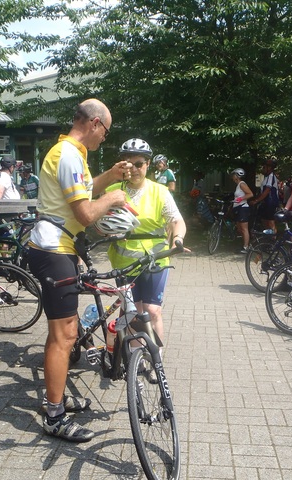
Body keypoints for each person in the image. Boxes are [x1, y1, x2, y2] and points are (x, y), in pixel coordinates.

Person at [27, 98, 131, 443]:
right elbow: (87, 213)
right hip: (54, 249)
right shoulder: (69, 155)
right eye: (106, 132)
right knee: (64, 336)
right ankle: (54, 416)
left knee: (63, 332)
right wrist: (114, 199)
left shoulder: (72, 154)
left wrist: (111, 177)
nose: (105, 139)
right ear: (95, 124)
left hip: (59, 247)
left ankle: (54, 399)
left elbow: (84, 192)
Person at [103, 138, 187, 381]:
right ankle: (133, 357)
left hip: (155, 260)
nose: (134, 169)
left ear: (148, 164)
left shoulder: (159, 191)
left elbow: (176, 220)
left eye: (139, 164)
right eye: (128, 164)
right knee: (131, 313)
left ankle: (155, 360)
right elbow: (98, 222)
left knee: (152, 310)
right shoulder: (112, 191)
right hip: (123, 262)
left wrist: (178, 239)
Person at [249, 157, 280, 231]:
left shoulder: (271, 176)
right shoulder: (267, 177)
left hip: (271, 202)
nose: (263, 168)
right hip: (266, 202)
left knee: (270, 221)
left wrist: (256, 201)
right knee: (264, 219)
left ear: (269, 168)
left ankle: (273, 237)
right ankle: (268, 235)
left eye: (264, 167)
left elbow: (267, 191)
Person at [230, 168, 254, 253]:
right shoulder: (238, 185)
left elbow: (250, 194)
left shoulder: (242, 184)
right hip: (238, 208)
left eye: (233, 175)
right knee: (239, 229)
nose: (232, 177)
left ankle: (246, 247)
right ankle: (245, 244)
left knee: (244, 229)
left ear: (237, 176)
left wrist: (241, 199)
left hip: (243, 208)